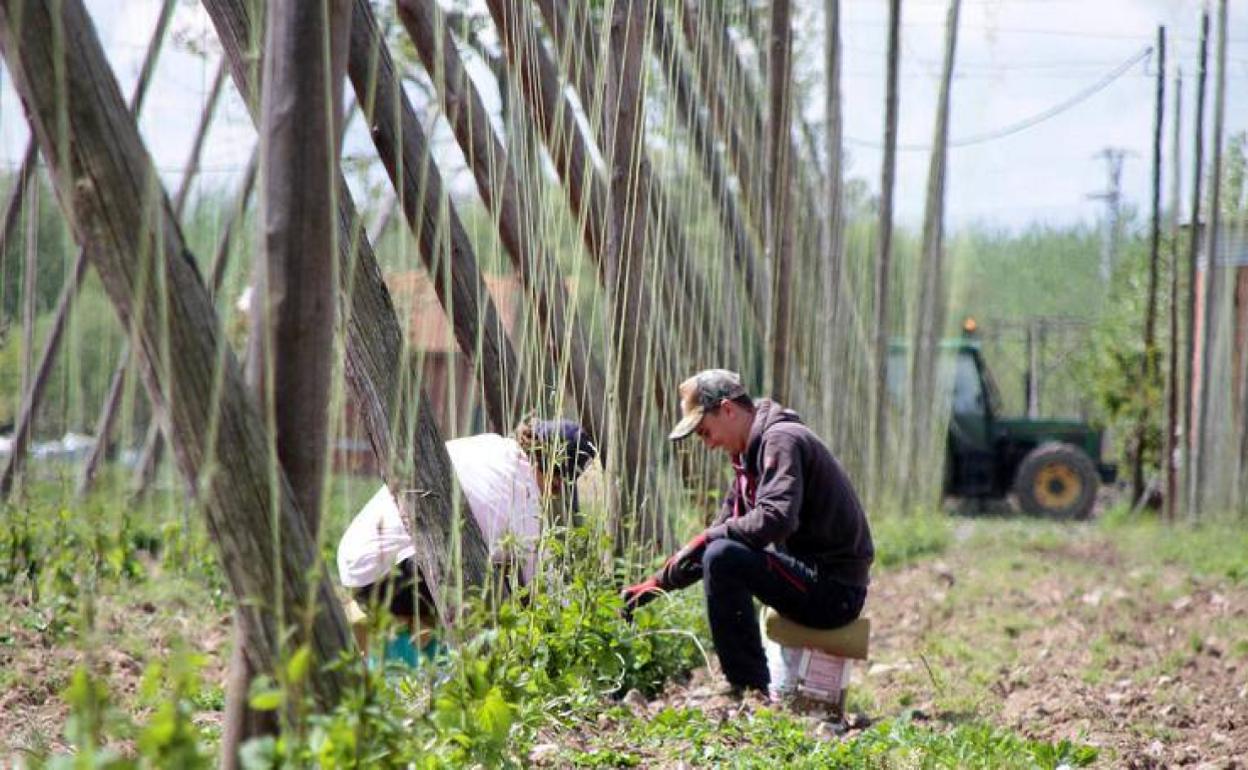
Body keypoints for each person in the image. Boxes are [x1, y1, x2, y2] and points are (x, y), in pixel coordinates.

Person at [621, 369, 873, 696]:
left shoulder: (781, 441)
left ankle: (748, 688)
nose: (708, 444)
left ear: (727, 409)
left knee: (723, 557)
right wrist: (658, 583)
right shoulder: (748, 457)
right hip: (815, 581)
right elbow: (721, 529)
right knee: (720, 551)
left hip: (836, 593)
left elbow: (775, 519)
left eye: (705, 432)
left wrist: (712, 539)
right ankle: (749, 684)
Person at [337, 418, 596, 667]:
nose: (552, 494)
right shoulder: (524, 495)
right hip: (387, 578)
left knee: (490, 567)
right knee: (501, 591)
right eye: (557, 487)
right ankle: (466, 671)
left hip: (359, 564)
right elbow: (540, 590)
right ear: (554, 476)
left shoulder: (490, 444)